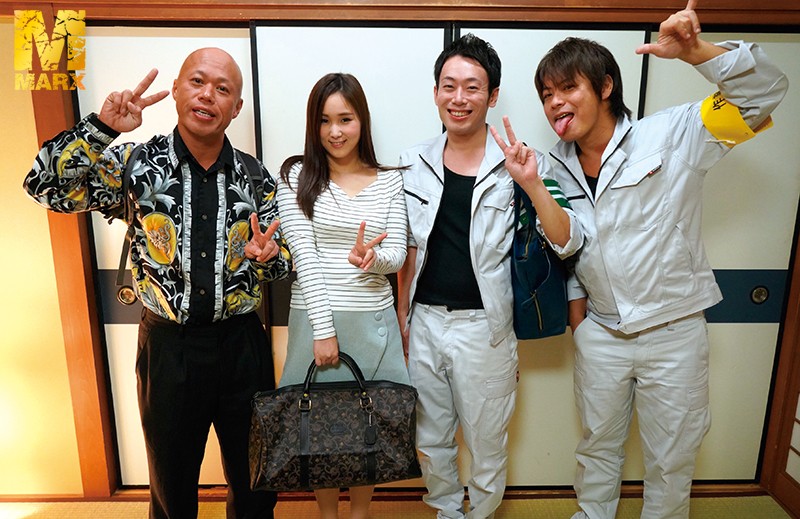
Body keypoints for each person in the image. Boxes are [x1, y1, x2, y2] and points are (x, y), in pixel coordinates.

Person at [531, 1, 789, 518]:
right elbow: (570, 246)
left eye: (567, 88)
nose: (555, 102)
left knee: (671, 461)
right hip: (602, 333)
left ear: (605, 86)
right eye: (546, 95)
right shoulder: (551, 166)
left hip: (673, 333)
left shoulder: (675, 134)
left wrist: (697, 52)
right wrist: (581, 324)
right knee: (596, 448)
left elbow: (764, 93)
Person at [23, 48, 291, 519]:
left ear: (236, 108)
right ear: (177, 89)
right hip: (168, 348)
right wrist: (101, 129)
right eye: (197, 81)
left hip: (241, 346)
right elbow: (45, 185)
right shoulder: (136, 166)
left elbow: (282, 261)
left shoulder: (255, 177)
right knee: (170, 485)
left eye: (223, 89)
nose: (207, 95)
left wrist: (269, 257)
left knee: (255, 481)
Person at [397, 34, 583, 519]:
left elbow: (567, 240)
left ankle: (481, 514)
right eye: (449, 85)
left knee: (487, 440)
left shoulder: (520, 162)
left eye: (472, 87)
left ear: (493, 95)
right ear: (435, 92)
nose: (459, 98)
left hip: (486, 329)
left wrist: (531, 183)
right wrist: (402, 322)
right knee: (430, 439)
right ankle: (446, 511)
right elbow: (409, 249)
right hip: (424, 323)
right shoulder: (412, 162)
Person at [275, 72, 410, 519]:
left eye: (345, 119)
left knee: (369, 423)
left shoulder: (390, 180)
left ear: (361, 121)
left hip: (374, 321)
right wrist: (324, 331)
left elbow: (397, 253)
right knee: (320, 424)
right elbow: (305, 258)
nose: (335, 131)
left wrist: (372, 260)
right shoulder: (296, 176)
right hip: (317, 319)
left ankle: (360, 514)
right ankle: (328, 515)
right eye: (324, 120)